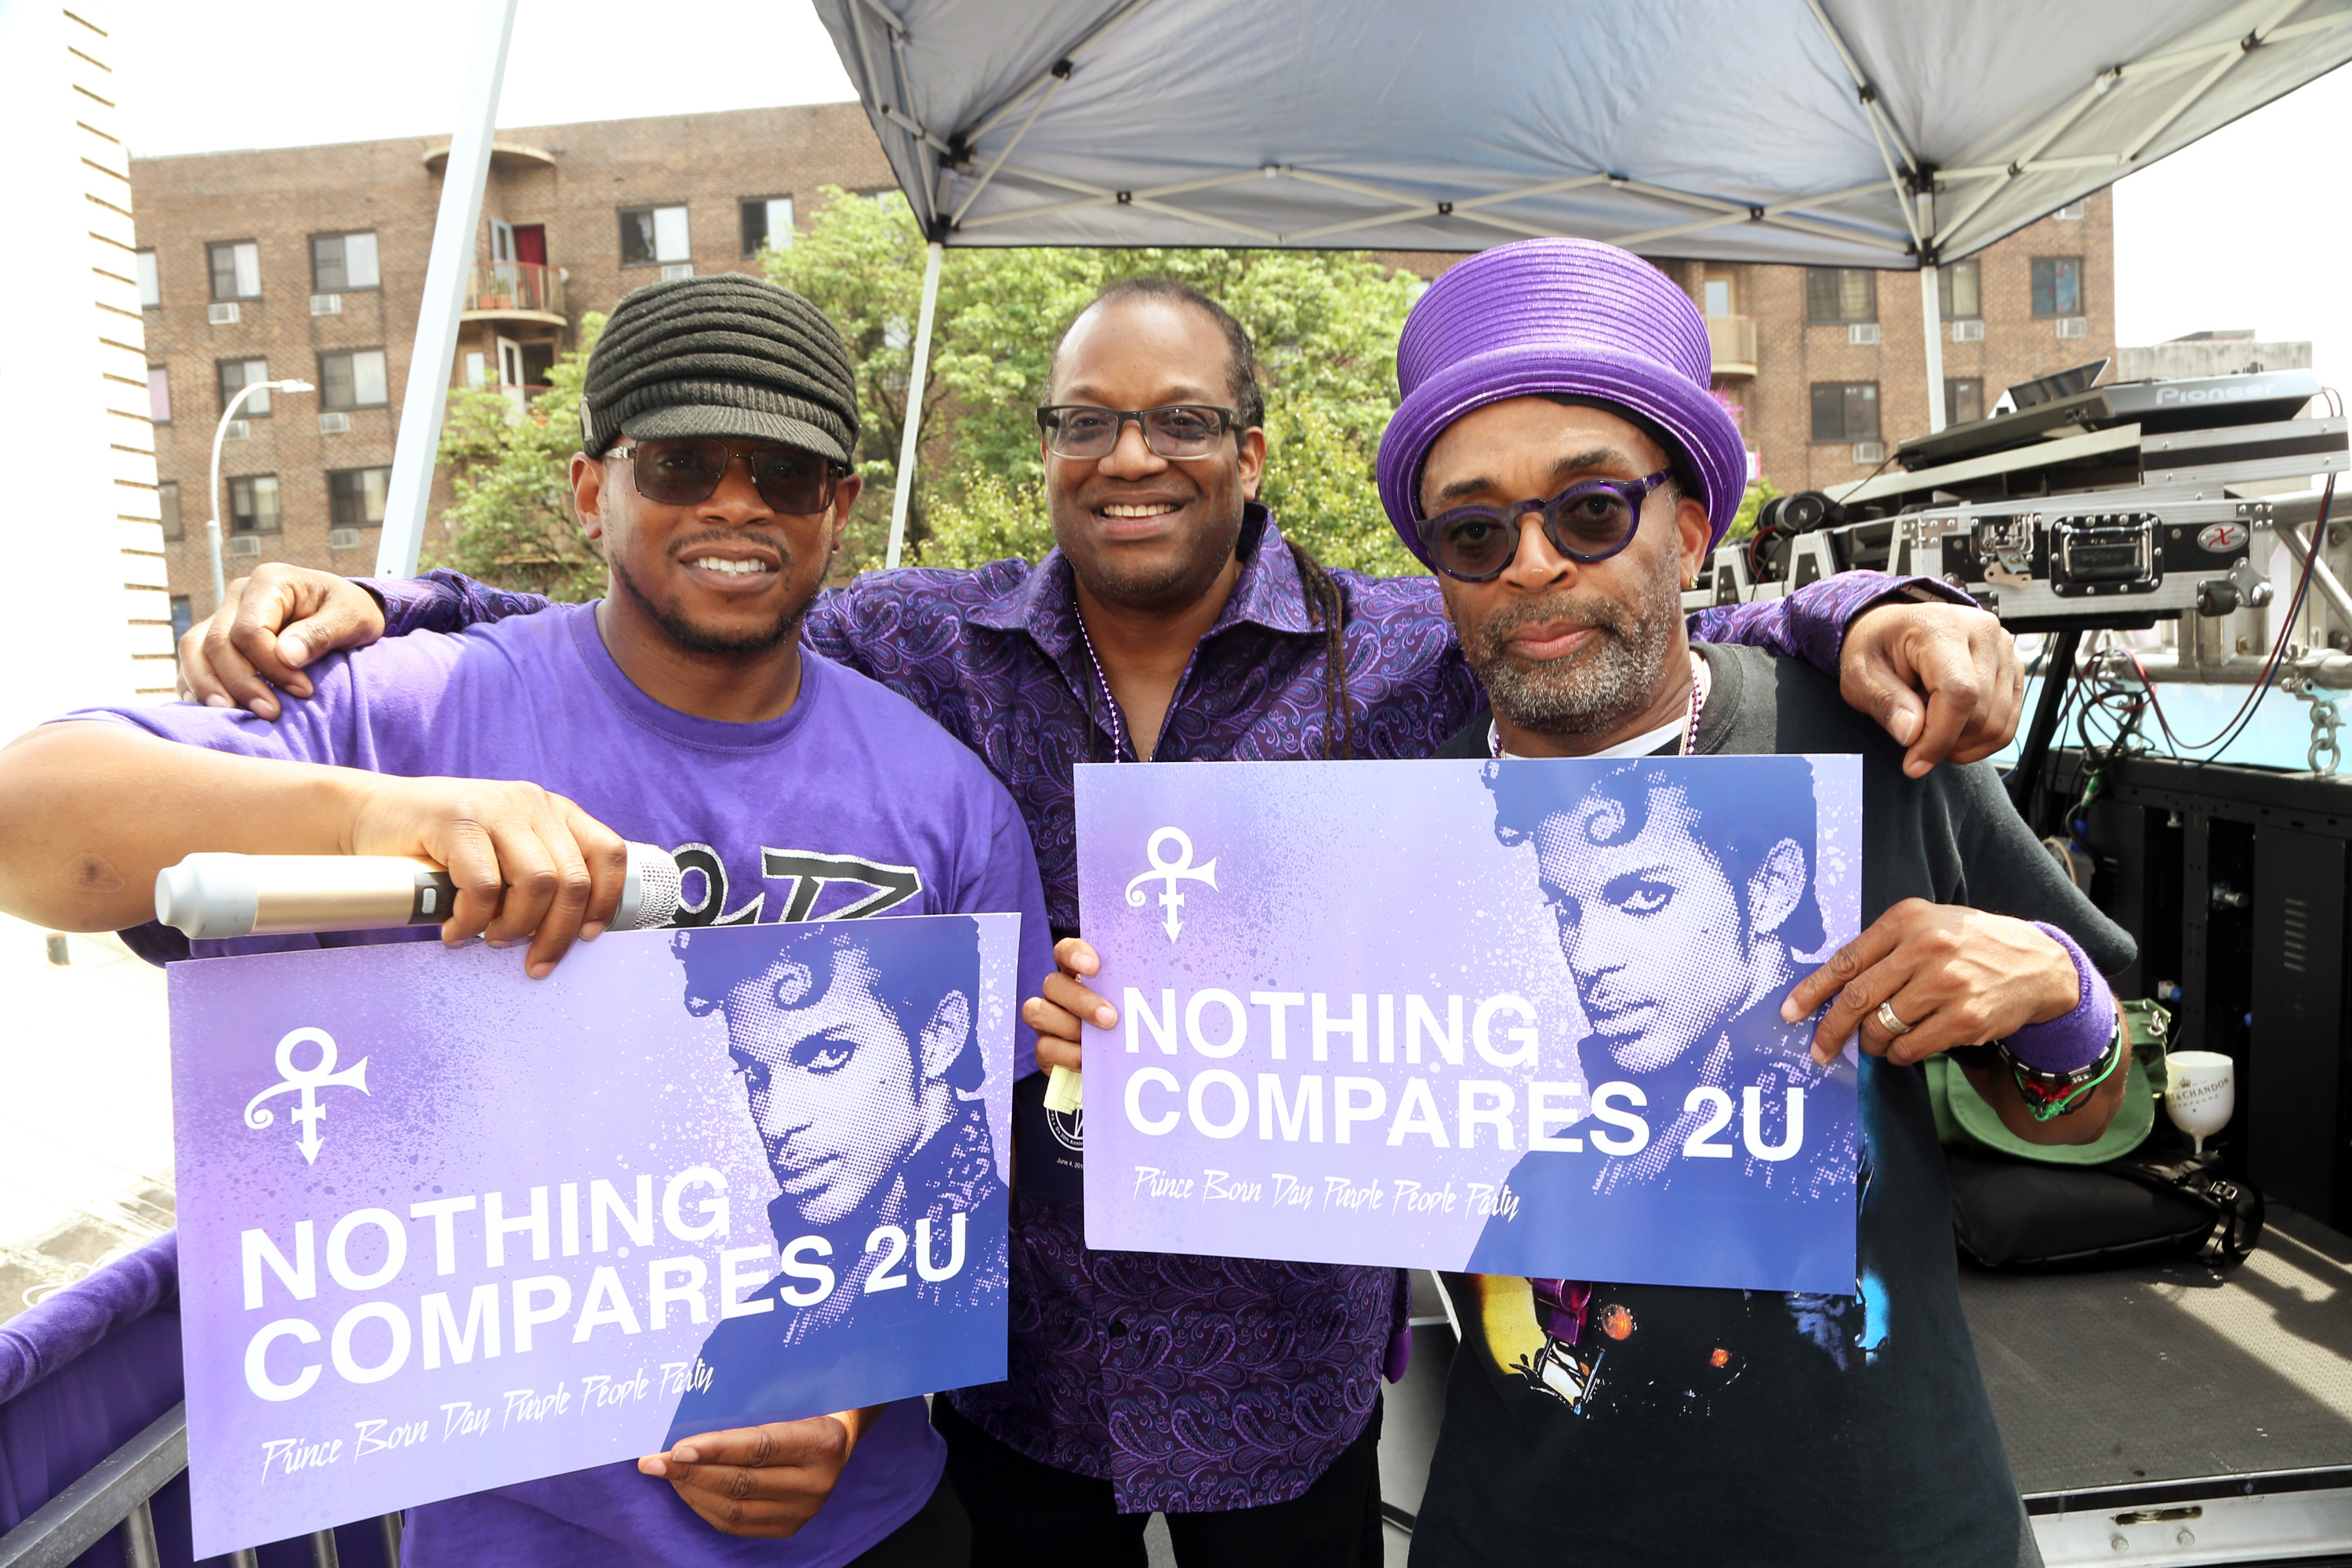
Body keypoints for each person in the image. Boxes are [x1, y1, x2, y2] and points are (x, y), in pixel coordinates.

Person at [176, 275, 2027, 1567]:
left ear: (1250, 449)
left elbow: (1603, 608)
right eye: (1087, 422)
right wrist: (391, 602)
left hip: (1285, 1368)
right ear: (1048, 448)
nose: (1131, 455)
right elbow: (689, 598)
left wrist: (1866, 607)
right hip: (1026, 1366)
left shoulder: (1395, 640)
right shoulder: (915, 635)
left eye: (1181, 420)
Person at [0, 273, 1055, 1567]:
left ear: (836, 509)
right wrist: (376, 816)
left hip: (874, 1531)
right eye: (680, 464)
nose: (735, 503)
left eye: (784, 473)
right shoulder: (416, 713)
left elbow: (965, 1156)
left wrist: (852, 1391)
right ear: (591, 491)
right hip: (522, 1535)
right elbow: (29, 825)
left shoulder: (947, 798)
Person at [1360, 237, 2132, 1566]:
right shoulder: (1398, 828)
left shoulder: (1875, 743)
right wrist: (1132, 1062)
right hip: (1525, 1533)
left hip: (1895, 1534)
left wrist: (2061, 1003)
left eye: (1590, 511)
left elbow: (2087, 1109)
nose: (1532, 564)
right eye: (1475, 530)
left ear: (1689, 528)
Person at [1464, 755, 1857, 1299]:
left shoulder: (1850, 1138)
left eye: (1644, 897)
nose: (1588, 959)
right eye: (1566, 909)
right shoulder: (1554, 1176)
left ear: (1772, 886)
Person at [668, 920, 1011, 1445]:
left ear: (940, 1035)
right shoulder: (749, 1332)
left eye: (827, 1055)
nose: (776, 1121)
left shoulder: (1006, 1271)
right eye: (756, 1075)